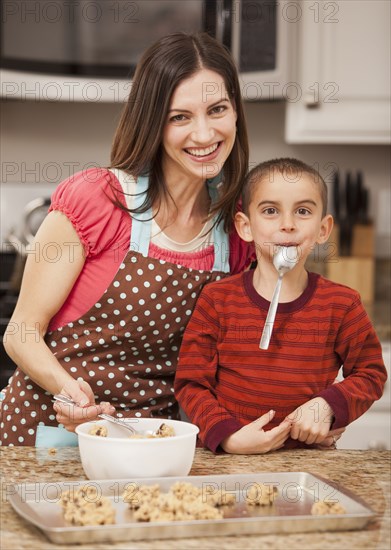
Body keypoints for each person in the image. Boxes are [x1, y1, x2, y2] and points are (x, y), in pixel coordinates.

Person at [0, 32, 255, 447]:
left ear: (235, 112)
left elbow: (231, 361)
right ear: (153, 120)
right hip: (45, 436)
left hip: (149, 448)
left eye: (217, 110)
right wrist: (71, 393)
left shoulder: (238, 228)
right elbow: (21, 331)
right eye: (180, 117)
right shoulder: (97, 200)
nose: (205, 134)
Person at [174, 158, 387, 454]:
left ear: (323, 229)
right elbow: (191, 384)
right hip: (228, 460)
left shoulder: (342, 304)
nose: (287, 224)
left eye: (303, 211)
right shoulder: (216, 300)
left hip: (307, 461)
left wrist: (327, 405)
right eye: (270, 211)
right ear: (245, 227)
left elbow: (371, 374)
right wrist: (229, 438)